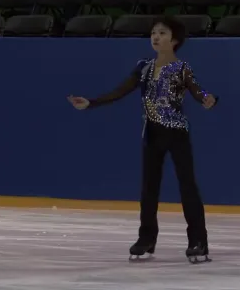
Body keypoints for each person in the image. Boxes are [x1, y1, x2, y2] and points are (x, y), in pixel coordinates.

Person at [67, 16, 218, 263]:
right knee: (149, 189)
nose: (156, 37)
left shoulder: (182, 68)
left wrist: (206, 98)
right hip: (152, 133)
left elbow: (196, 89)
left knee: (187, 187)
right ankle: (146, 239)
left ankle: (198, 241)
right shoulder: (144, 67)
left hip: (177, 133)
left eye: (162, 33)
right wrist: (91, 103)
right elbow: (120, 90)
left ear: (175, 40)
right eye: (153, 34)